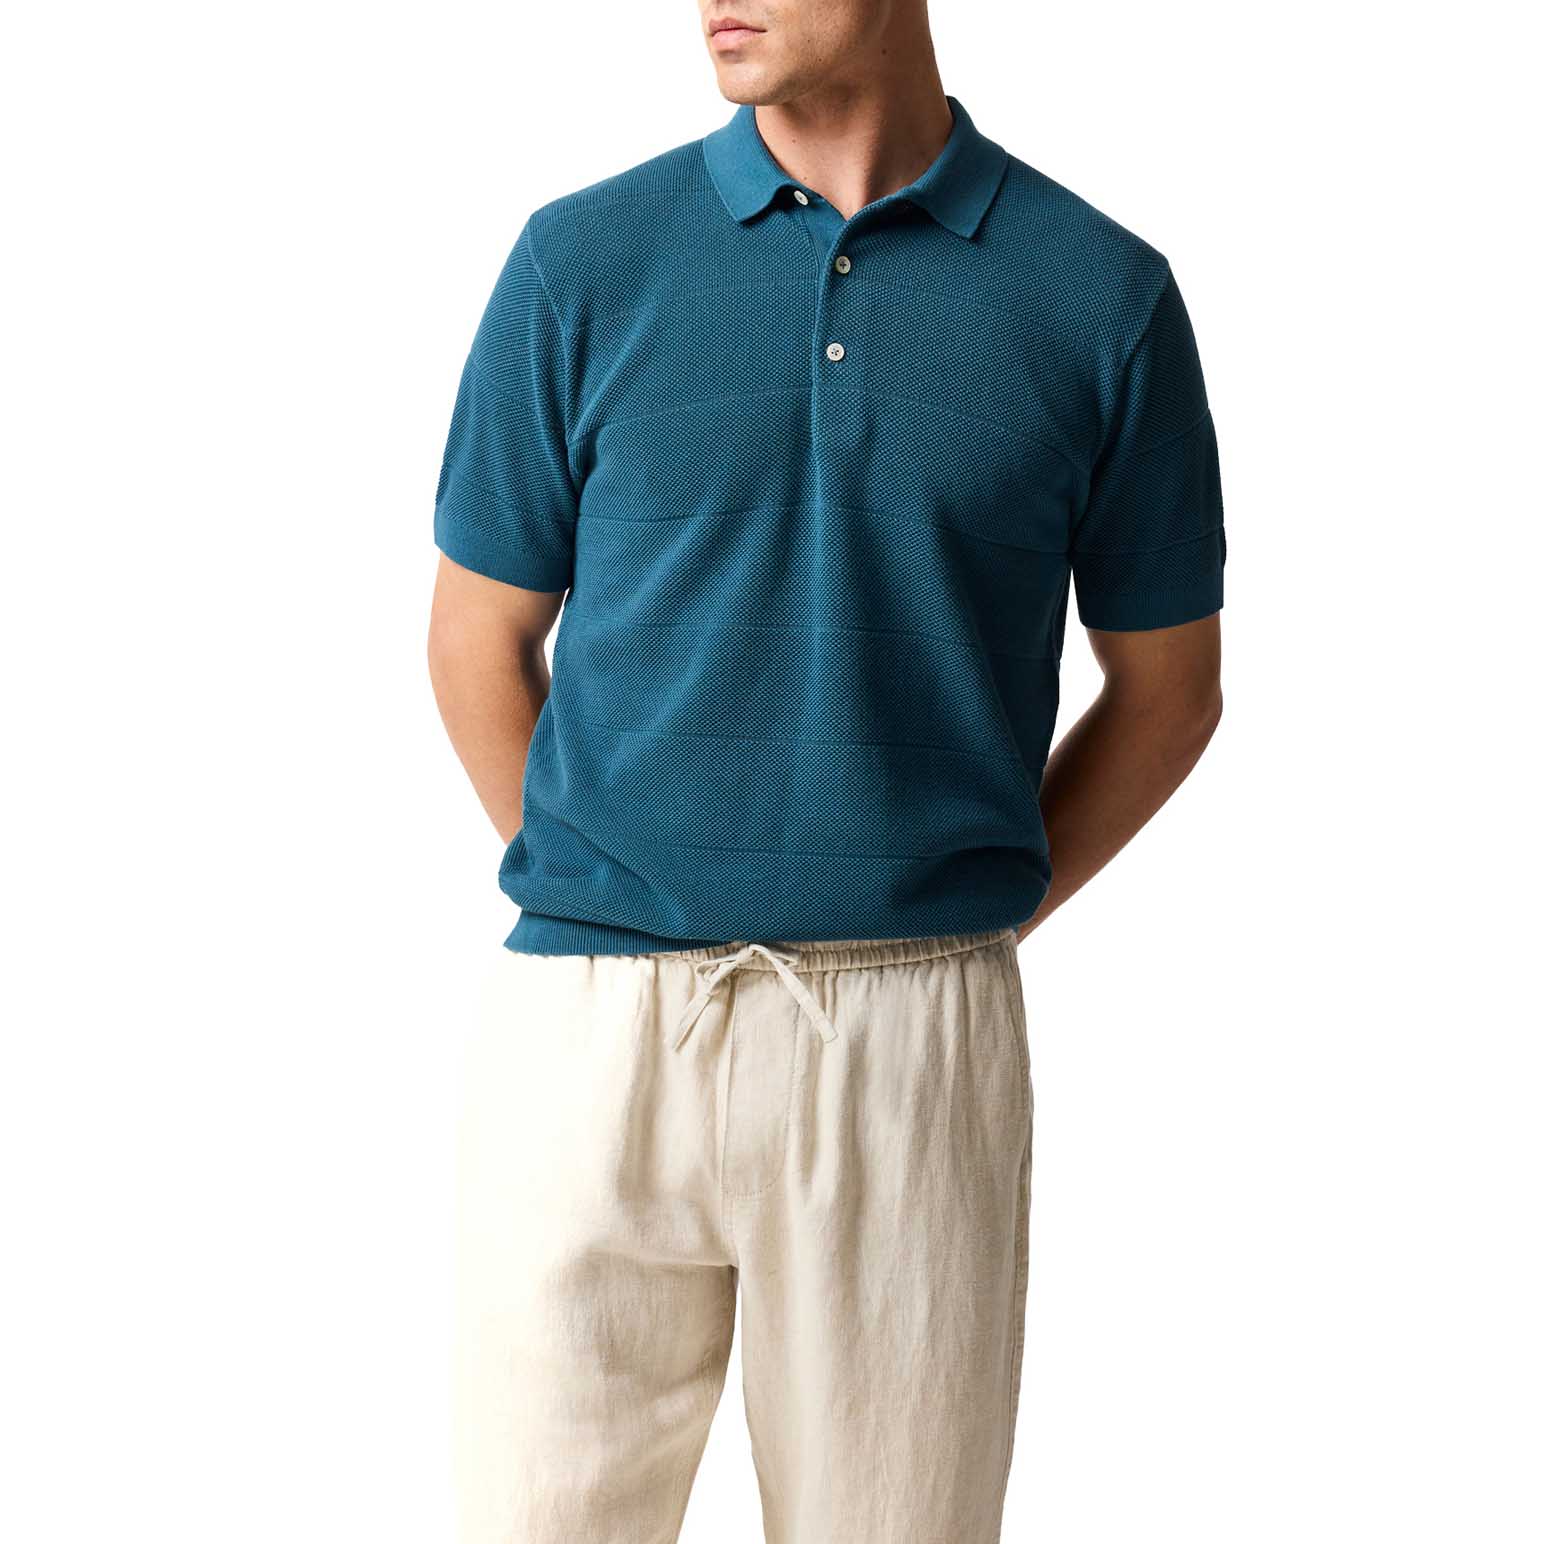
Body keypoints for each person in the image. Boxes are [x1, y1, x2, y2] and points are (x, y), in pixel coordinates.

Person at [426, 3, 1225, 1538]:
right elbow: (476, 635)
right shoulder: (581, 262)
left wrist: (951, 908)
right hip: (586, 1032)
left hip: (910, 1036)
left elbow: (1170, 689)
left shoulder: (1098, 294)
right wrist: (618, 884)